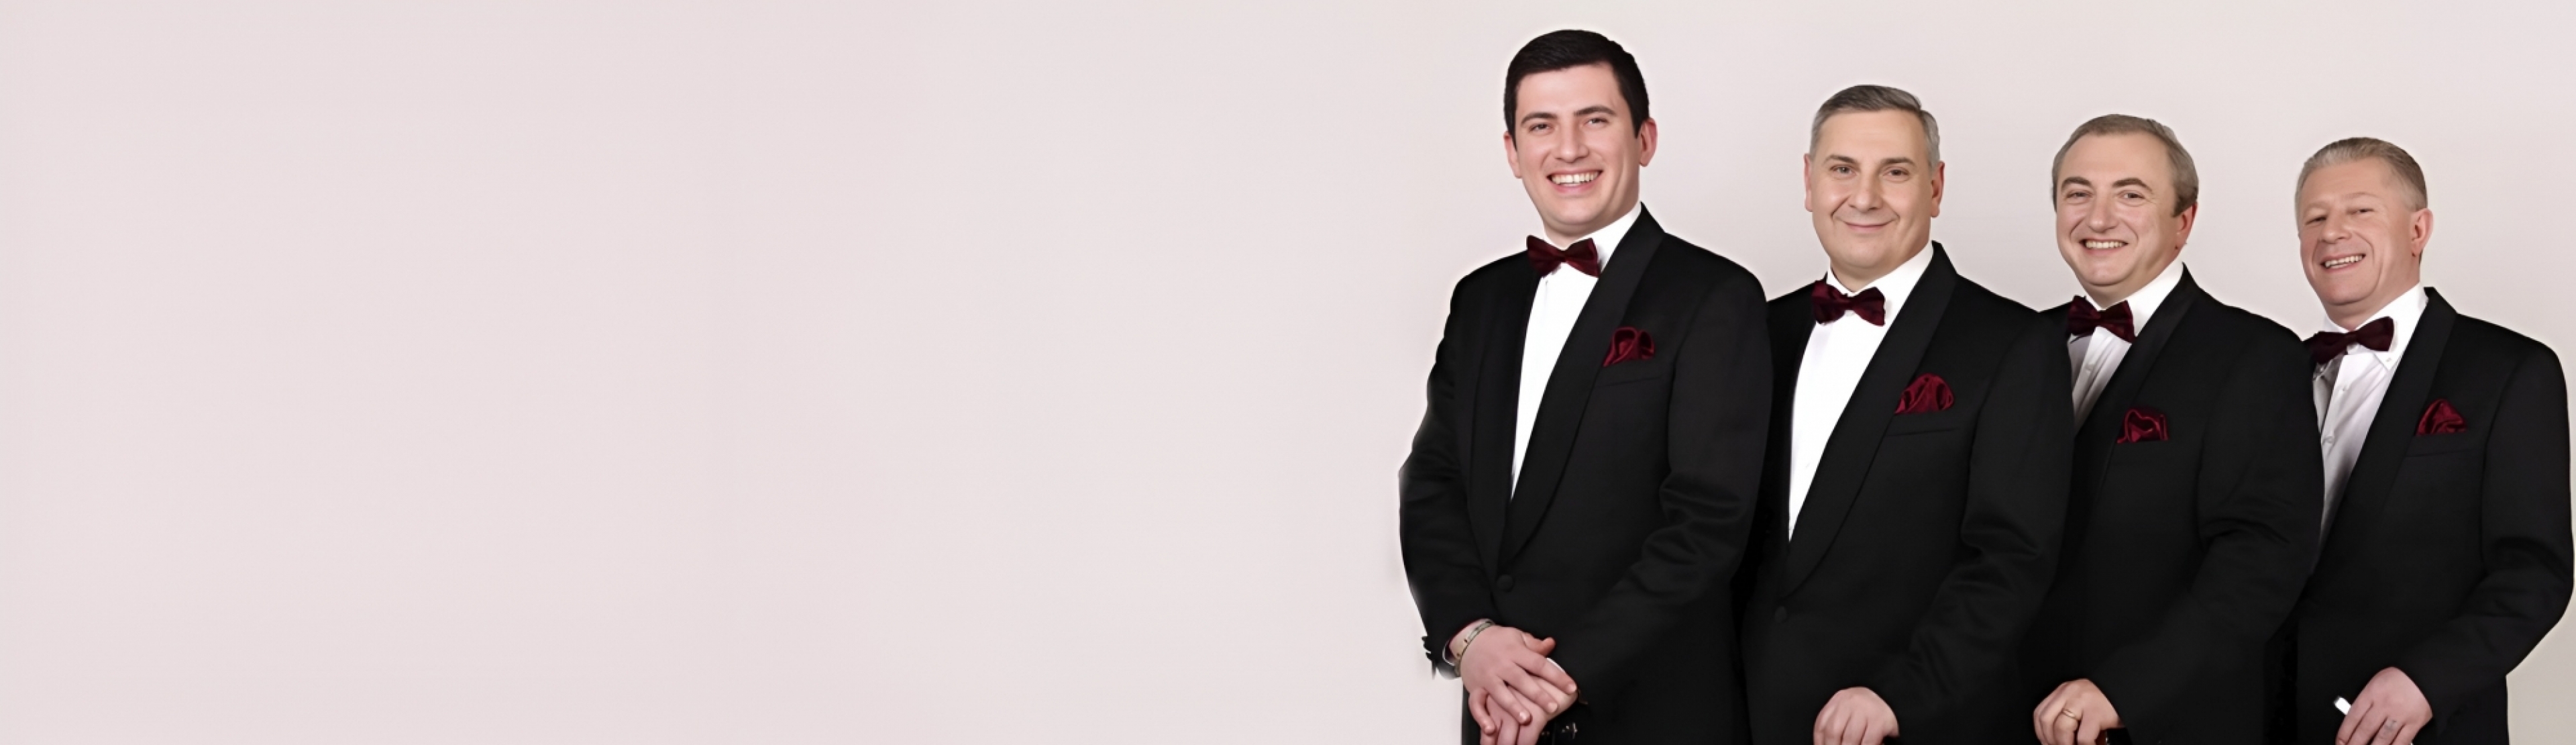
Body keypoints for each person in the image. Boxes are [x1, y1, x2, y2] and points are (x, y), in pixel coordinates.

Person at [1398, 29, 1771, 745]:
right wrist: (1470, 638)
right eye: (1542, 126)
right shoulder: (1481, 299)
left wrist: (1554, 681)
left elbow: (1706, 525)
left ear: (1644, 139)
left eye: (1594, 120)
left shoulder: (1715, 295)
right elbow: (1434, 480)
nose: (1568, 149)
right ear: (1513, 152)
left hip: (1649, 714)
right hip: (1498, 711)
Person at [1736, 85, 2071, 745]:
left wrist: (1901, 693)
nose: (1864, 197)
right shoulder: (1757, 332)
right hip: (1749, 712)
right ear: (1808, 182)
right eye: (1842, 169)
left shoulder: (2013, 343)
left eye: (1895, 172)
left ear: (1936, 188)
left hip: (1912, 720)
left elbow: (2012, 558)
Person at [2015, 115, 2320, 745]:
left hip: (2159, 721)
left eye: (2130, 194)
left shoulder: (2254, 355)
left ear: (2184, 221)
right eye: (2078, 193)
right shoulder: (2014, 345)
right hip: (2005, 713)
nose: (2099, 218)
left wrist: (2126, 690)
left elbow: (2261, 560)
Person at [2285, 137, 2571, 745]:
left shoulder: (2510, 370)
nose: (2332, 232)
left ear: (2418, 230)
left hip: (2426, 727)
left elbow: (2535, 571)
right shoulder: (2269, 373)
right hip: (2267, 716)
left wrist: (2428, 681)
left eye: (2361, 210)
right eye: (2315, 217)